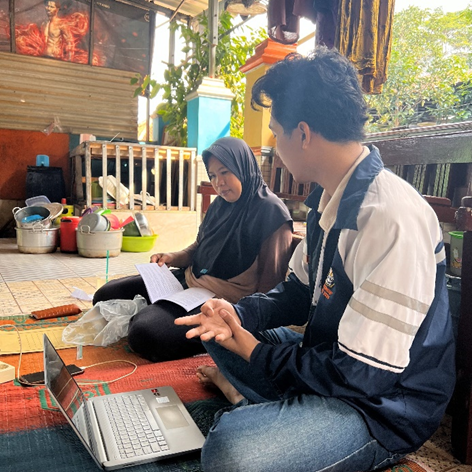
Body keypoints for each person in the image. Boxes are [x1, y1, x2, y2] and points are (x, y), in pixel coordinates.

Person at [175, 47, 456, 472]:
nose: (271, 144)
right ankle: (277, 411)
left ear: (302, 134)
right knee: (213, 328)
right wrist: (237, 314)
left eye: (274, 132)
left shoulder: (388, 219)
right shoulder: (329, 198)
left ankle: (266, 413)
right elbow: (295, 292)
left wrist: (254, 352)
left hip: (383, 405)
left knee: (231, 455)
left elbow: (363, 375)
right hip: (329, 357)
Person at [94, 136, 293, 362]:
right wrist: (172, 257)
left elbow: (270, 288)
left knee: (145, 334)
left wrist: (241, 321)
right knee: (105, 296)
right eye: (213, 175)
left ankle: (162, 317)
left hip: (220, 300)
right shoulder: (220, 205)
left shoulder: (271, 213)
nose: (219, 182)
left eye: (225, 172)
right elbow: (199, 248)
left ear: (243, 166)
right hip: (189, 281)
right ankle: (159, 309)